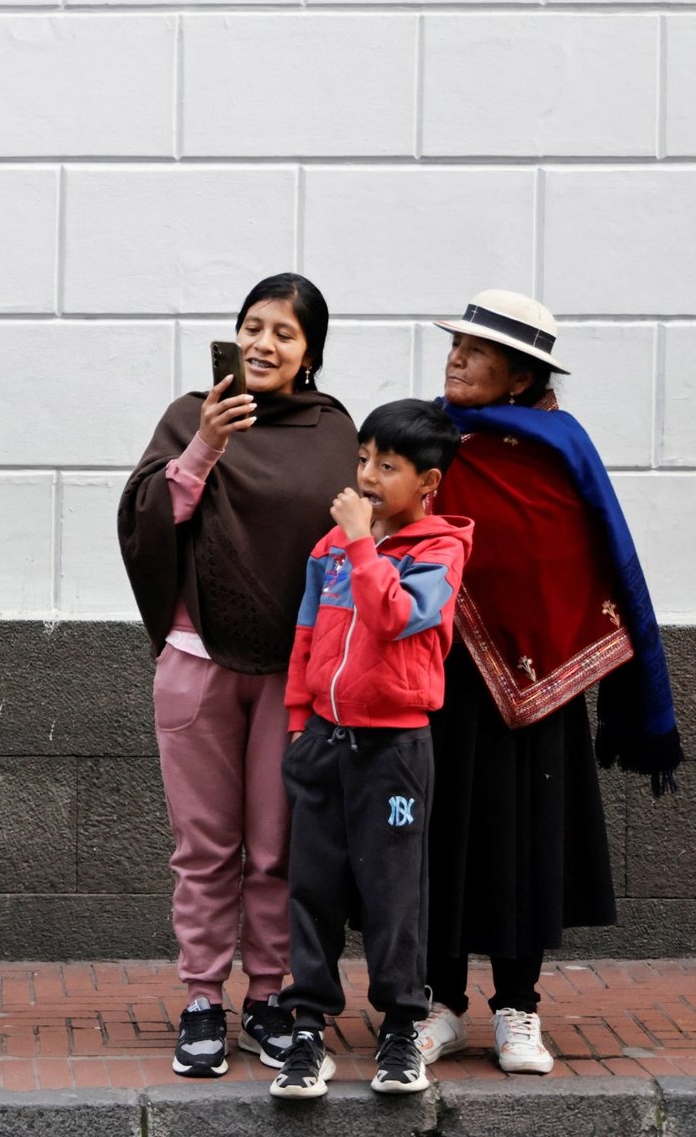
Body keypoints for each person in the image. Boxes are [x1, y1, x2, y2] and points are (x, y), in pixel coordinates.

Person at [414, 290, 682, 1075]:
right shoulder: (427, 436)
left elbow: (593, 558)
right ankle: (437, 1005)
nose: (456, 359)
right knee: (440, 835)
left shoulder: (561, 448)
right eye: (456, 346)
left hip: (539, 691)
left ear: (520, 376)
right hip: (437, 676)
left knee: (522, 842)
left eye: (476, 352)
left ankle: (517, 1008)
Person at [118, 273, 357, 1078]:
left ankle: (266, 996)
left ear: (309, 352)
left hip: (294, 675)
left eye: (284, 333)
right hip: (197, 664)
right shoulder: (193, 414)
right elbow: (145, 520)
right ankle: (201, 999)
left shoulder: (333, 431)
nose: (263, 343)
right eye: (253, 326)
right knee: (205, 847)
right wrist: (205, 447)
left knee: (277, 846)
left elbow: (352, 537)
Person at [270, 400, 472, 1100]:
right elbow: (305, 636)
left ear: (429, 482)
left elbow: (392, 617)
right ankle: (307, 1029)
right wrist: (299, 722)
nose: (368, 476)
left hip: (394, 751)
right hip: (324, 741)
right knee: (313, 887)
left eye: (388, 466)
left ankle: (401, 1029)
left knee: (394, 890)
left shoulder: (440, 552)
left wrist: (362, 542)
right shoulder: (328, 549)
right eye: (363, 460)